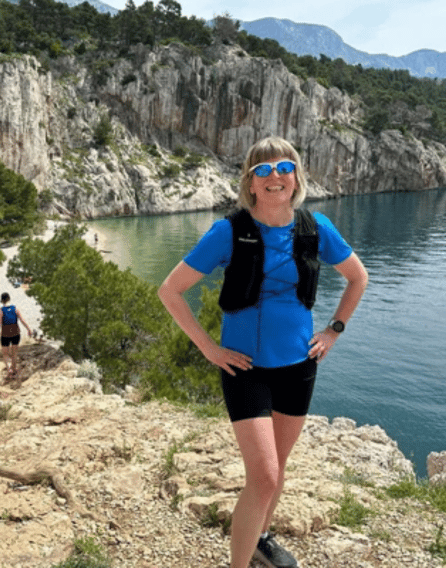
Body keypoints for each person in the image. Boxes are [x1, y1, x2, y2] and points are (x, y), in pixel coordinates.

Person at [157, 136, 368, 568]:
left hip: (299, 367)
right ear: (250, 182)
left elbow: (357, 277)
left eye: (285, 168)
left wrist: (333, 331)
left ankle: (260, 541)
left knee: (277, 468)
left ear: (297, 177)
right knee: (265, 476)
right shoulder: (228, 232)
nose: (276, 176)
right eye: (264, 170)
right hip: (246, 369)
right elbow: (170, 291)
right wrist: (210, 349)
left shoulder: (315, 228)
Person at [0, 292, 32, 377]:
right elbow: (22, 320)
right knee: (14, 353)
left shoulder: (0, 311)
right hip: (16, 333)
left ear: (2, 300)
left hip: (5, 334)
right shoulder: (15, 309)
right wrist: (28, 329)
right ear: (9, 299)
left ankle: (9, 369)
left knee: (5, 354)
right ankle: (14, 369)